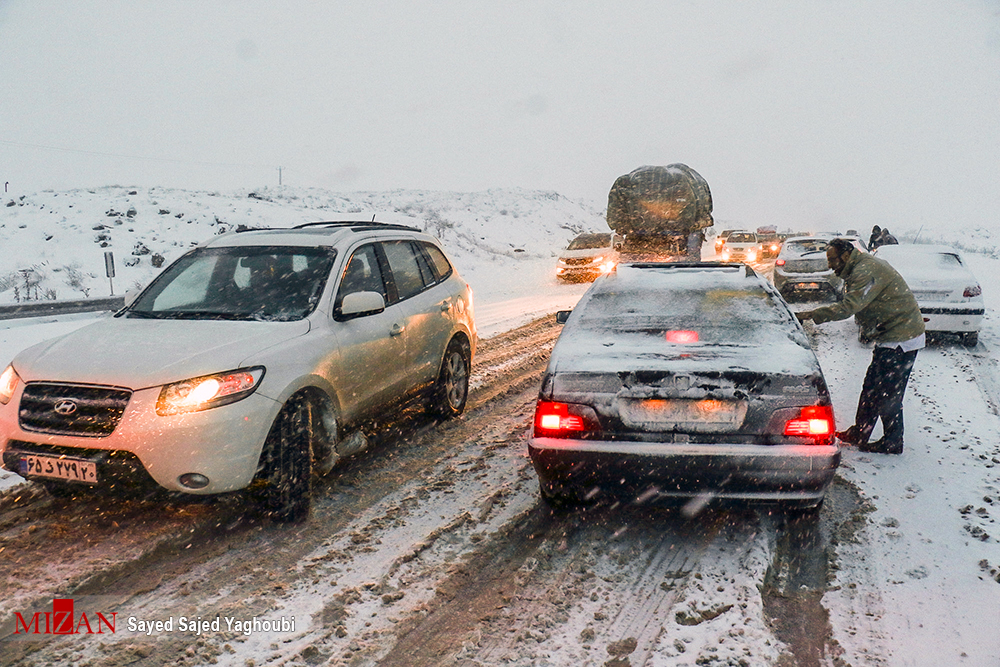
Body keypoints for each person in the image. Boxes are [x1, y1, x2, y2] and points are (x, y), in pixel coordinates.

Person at [795, 238, 925, 454]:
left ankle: (892, 442)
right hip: (890, 334)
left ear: (845, 256)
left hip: (901, 337)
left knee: (888, 393)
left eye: (832, 259)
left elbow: (849, 308)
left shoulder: (865, 270)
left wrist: (810, 315)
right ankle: (860, 432)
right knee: (871, 387)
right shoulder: (859, 266)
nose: (830, 265)